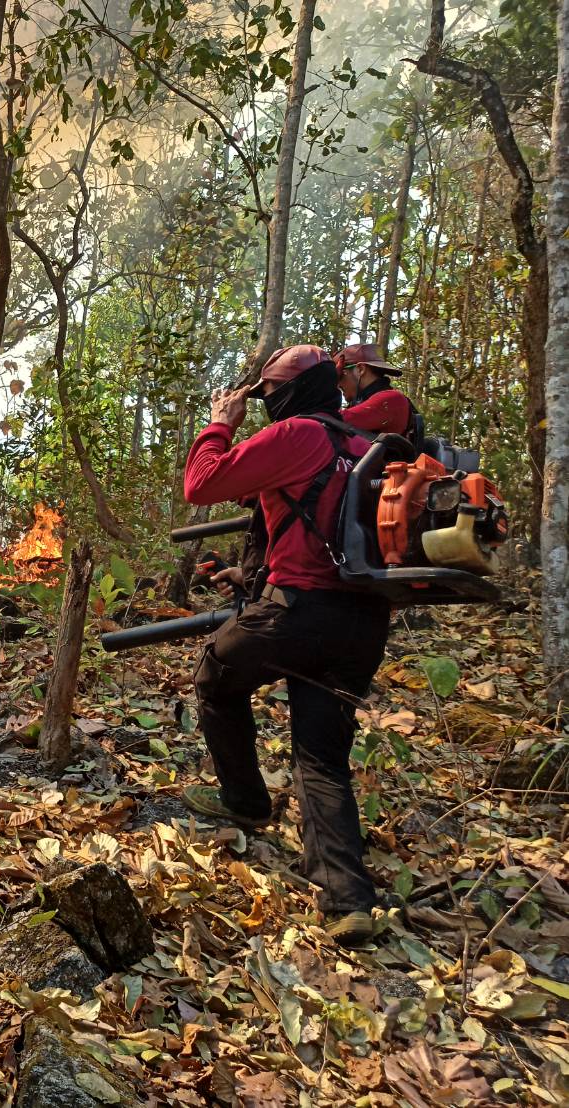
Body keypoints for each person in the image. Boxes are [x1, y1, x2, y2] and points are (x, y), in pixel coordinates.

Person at [182, 344, 392, 947]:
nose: (266, 403)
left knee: (216, 675)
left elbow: (201, 484)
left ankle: (244, 801)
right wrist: (246, 572)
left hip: (298, 614)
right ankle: (348, 901)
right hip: (363, 624)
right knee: (321, 755)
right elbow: (290, 511)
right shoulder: (362, 444)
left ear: (291, 392)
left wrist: (220, 423)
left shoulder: (298, 434)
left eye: (269, 393)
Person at [335, 342, 418, 440]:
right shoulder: (359, 402)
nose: (338, 384)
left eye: (340, 376)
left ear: (360, 369)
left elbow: (334, 420)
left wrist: (326, 384)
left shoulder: (392, 399)